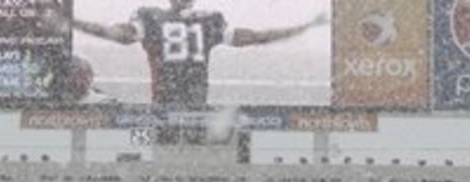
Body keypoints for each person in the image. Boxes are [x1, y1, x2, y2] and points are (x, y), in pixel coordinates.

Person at [67, 0, 328, 109]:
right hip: (196, 109)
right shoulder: (208, 22)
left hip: (165, 108)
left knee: (149, 153)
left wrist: (72, 22)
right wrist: (302, 28)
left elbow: (117, 34)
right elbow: (255, 37)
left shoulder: (151, 18)